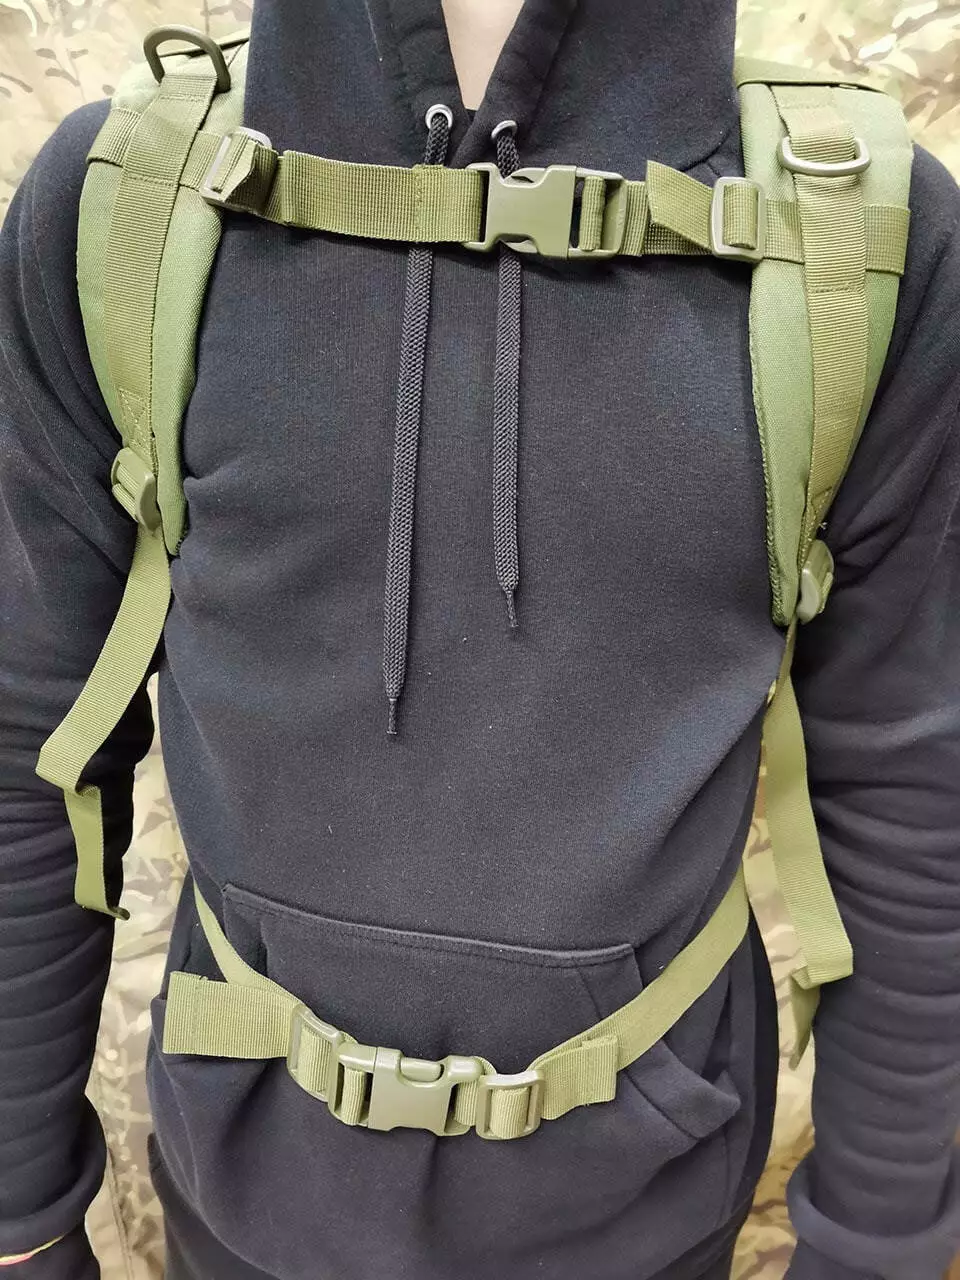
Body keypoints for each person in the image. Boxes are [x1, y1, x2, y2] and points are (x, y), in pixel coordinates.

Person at [1, 1, 959, 1277]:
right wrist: (23, 1221)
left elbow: (911, 787)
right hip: (235, 1198)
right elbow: (30, 744)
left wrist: (880, 1243)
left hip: (658, 1208)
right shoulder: (125, 198)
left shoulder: (860, 237)